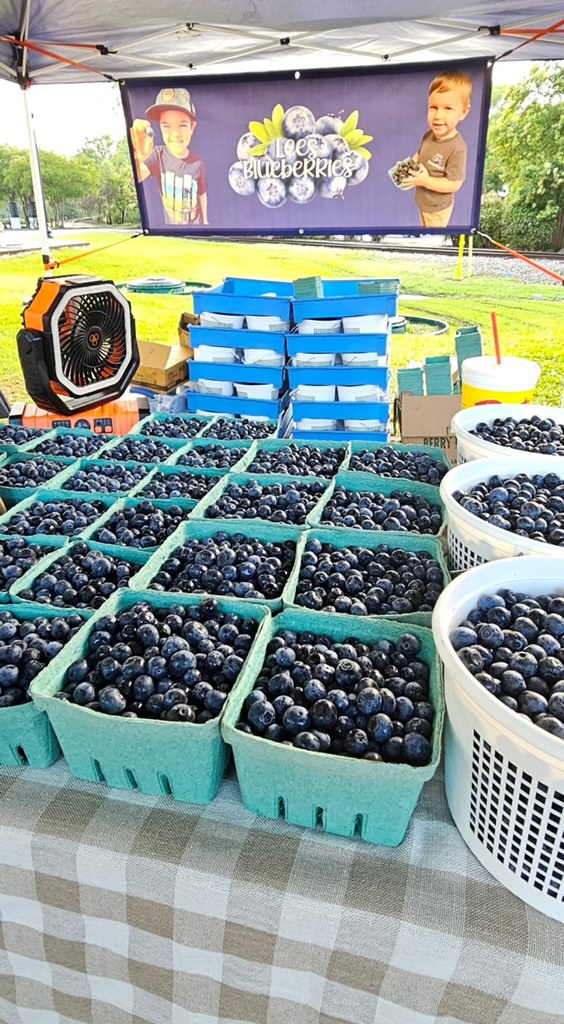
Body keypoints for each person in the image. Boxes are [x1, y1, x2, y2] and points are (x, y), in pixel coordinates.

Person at [400, 69, 472, 229]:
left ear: (463, 112)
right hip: (423, 201)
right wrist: (406, 167)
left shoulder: (457, 148)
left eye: (448, 108)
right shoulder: (428, 135)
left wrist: (424, 181)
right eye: (433, 107)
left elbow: (454, 184)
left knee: (431, 236)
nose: (438, 115)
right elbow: (420, 155)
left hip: (438, 209)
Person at [130, 87, 208, 226]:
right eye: (166, 126)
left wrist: (206, 221)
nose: (175, 134)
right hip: (172, 231)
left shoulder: (198, 163)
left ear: (192, 127)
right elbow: (136, 178)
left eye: (182, 125)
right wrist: (139, 156)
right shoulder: (157, 155)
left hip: (197, 228)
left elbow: (202, 194)